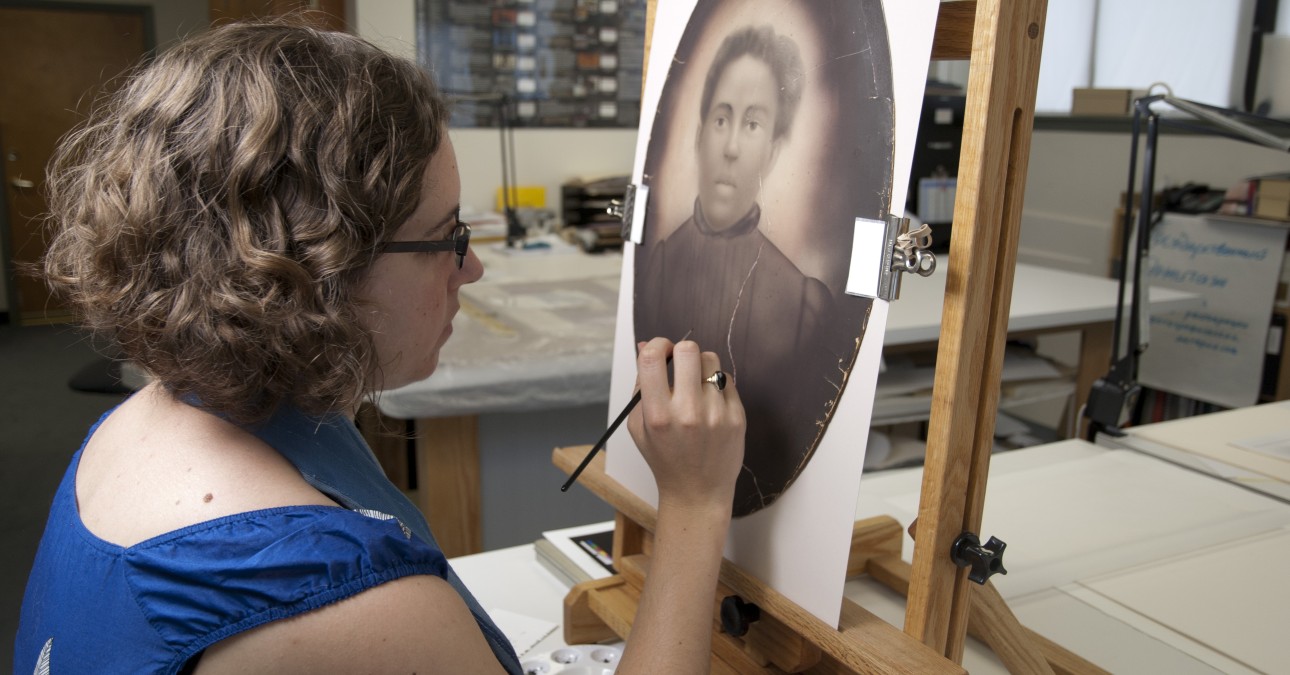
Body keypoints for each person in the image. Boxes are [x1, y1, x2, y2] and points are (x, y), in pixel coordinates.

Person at [15, 20, 745, 675]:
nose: (474, 267)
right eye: (450, 235)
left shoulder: (147, 420)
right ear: (319, 265)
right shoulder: (343, 605)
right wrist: (693, 501)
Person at [635, 24, 836, 517]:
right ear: (701, 132)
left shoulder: (803, 303)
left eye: (752, 124)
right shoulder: (658, 264)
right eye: (722, 119)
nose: (730, 147)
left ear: (772, 148)